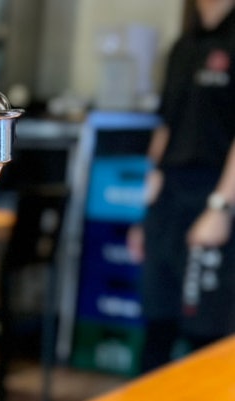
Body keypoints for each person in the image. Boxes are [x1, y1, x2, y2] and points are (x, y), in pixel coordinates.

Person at [128, 0, 235, 372]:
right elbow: (166, 126)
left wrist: (220, 207)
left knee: (204, 334)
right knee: (157, 323)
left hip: (213, 197)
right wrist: (145, 215)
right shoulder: (183, 46)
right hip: (168, 199)